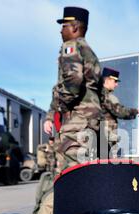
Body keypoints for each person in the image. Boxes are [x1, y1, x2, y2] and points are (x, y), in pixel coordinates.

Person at [43, 6, 102, 174]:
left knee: (72, 172)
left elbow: (73, 82)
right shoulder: (89, 51)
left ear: (75, 27)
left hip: (78, 119)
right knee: (86, 169)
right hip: (90, 120)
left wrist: (58, 107)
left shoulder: (71, 46)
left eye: (64, 26)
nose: (60, 31)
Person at [100, 67, 139, 158]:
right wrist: (135, 111)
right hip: (106, 140)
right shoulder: (106, 96)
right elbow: (120, 111)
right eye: (115, 81)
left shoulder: (95, 95)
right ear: (108, 80)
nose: (116, 85)